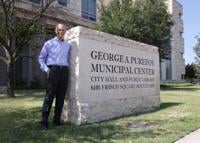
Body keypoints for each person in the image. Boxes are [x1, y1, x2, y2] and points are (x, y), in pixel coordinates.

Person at [38, 23, 70, 130]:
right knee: (49, 97)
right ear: (56, 31)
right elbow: (41, 58)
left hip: (64, 72)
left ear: (65, 32)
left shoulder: (67, 45)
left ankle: (57, 120)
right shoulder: (48, 43)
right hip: (53, 71)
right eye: (59, 30)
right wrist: (47, 69)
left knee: (61, 97)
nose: (61, 32)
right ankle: (44, 122)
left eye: (63, 30)